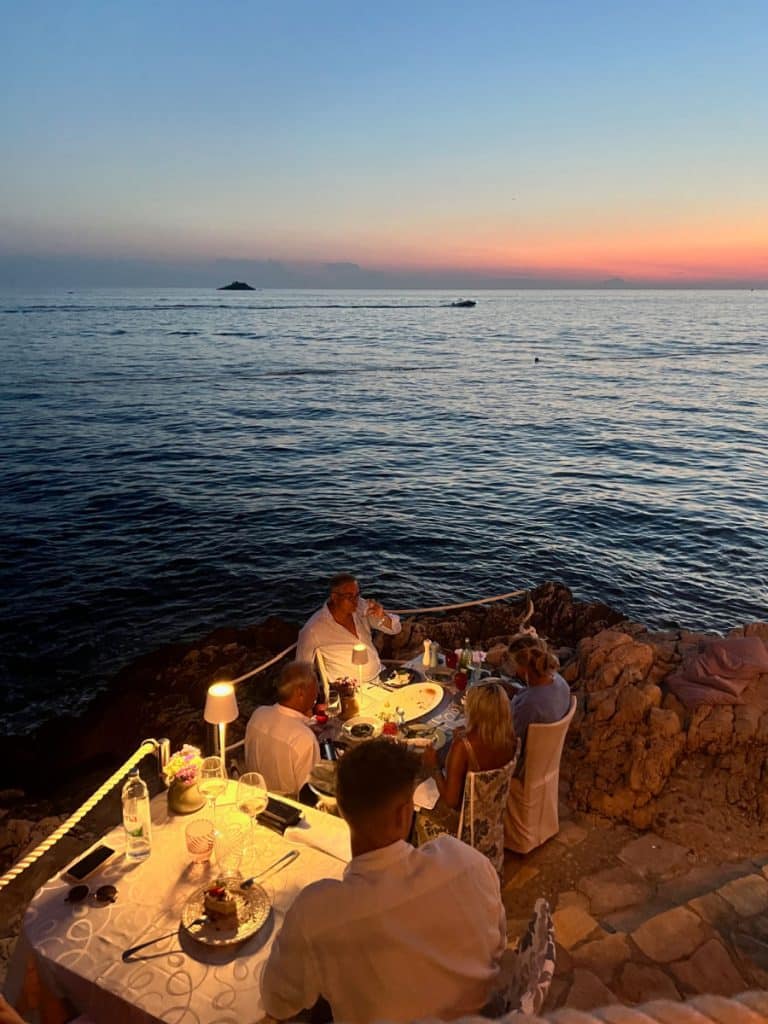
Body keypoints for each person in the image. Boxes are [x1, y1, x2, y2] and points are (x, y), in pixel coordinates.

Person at [261, 739, 507, 1024]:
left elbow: (277, 1002)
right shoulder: (468, 863)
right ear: (404, 813)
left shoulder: (317, 915)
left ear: (341, 808)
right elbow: (498, 947)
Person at [417, 683, 518, 850]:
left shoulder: (463, 747)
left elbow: (451, 801)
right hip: (491, 815)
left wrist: (433, 766)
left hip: (463, 821)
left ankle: (429, 858)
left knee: (416, 788)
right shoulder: (511, 739)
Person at [296, 572, 401, 684]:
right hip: (350, 688)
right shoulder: (313, 629)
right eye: (349, 596)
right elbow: (302, 670)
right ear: (335, 597)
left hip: (381, 676)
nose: (355, 601)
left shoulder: (361, 606)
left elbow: (396, 629)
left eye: (357, 595)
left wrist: (382, 616)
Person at [244, 660, 320, 797]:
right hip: (287, 806)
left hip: (256, 796)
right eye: (315, 690)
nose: (317, 694)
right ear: (300, 693)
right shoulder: (304, 739)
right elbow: (310, 794)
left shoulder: (258, 715)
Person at [511, 644, 571, 764]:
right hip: (547, 752)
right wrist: (518, 691)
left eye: (517, 669)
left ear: (526, 671)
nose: (515, 672)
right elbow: (539, 694)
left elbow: (512, 742)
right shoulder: (560, 682)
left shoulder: (530, 705)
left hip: (524, 760)